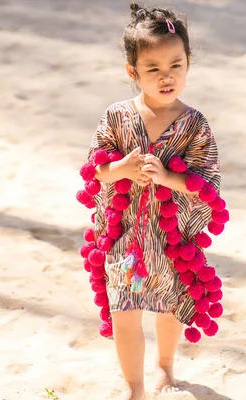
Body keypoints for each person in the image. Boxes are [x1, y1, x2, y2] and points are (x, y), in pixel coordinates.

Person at [78, 2, 226, 399]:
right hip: (126, 239)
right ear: (133, 72)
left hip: (171, 236)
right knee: (124, 312)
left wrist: (169, 177)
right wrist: (120, 170)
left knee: (168, 306)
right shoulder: (117, 117)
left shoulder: (195, 124)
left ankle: (165, 366)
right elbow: (94, 171)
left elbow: (206, 182)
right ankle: (135, 389)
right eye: (154, 69)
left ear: (188, 63)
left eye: (176, 65)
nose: (167, 77)